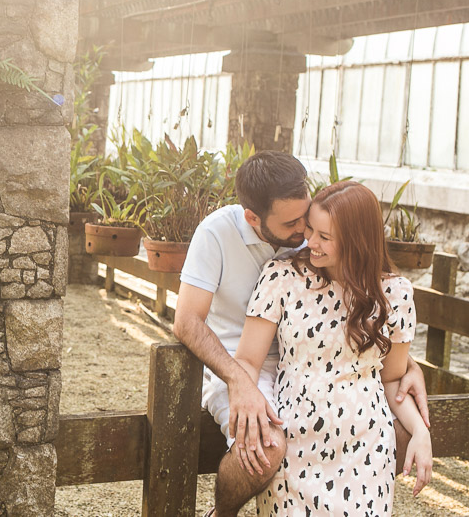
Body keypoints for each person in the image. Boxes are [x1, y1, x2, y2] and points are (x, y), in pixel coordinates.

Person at [173, 152, 431, 517]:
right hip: (237, 362)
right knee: (267, 447)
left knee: (395, 436)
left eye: (310, 223)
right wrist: (237, 381)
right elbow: (186, 322)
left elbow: (369, 345)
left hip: (345, 412)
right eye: (296, 224)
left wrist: (408, 368)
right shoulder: (225, 239)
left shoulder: (324, 247)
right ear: (253, 218)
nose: (305, 235)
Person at [235, 180, 432, 515]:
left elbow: (393, 381)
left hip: (365, 453)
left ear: (357, 241)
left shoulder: (396, 293)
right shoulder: (281, 276)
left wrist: (420, 433)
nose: (310, 242)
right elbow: (247, 360)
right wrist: (246, 410)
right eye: (311, 229)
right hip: (293, 449)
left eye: (324, 237)